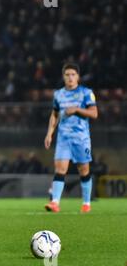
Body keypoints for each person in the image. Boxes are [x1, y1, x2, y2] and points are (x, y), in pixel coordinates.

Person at [44, 63, 98, 213]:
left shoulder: (86, 93)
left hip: (81, 138)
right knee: (60, 169)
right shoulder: (58, 94)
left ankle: (86, 203)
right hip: (63, 138)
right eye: (67, 75)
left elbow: (94, 113)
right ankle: (55, 202)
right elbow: (54, 114)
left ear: (78, 77)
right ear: (63, 77)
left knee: (84, 170)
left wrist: (76, 110)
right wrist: (49, 133)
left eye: (73, 74)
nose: (70, 77)